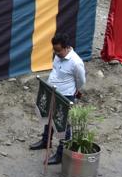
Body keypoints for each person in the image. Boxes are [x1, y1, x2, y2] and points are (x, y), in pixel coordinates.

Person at [30, 33, 86, 165]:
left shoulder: (76, 62)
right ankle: (46, 141)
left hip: (65, 96)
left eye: (58, 51)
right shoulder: (58, 55)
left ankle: (61, 154)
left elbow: (81, 80)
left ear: (66, 48)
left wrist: (74, 90)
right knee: (48, 117)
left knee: (63, 125)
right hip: (53, 91)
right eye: (54, 50)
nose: (56, 53)